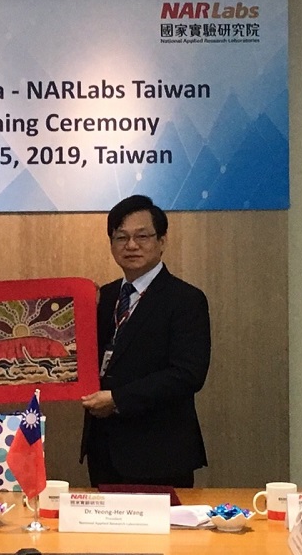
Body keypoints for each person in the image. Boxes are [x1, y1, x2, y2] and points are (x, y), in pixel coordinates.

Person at [80, 195, 211, 488]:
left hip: (159, 453)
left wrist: (117, 400)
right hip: (104, 450)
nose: (131, 245)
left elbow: (188, 374)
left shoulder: (186, 300)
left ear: (162, 241)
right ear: (111, 243)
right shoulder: (104, 298)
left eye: (142, 236)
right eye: (121, 237)